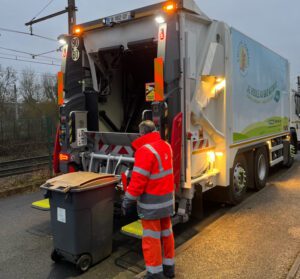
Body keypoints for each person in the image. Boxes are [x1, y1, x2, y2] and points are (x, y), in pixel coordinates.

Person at [122, 120, 175, 279]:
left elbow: (138, 181)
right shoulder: (166, 145)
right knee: (167, 234)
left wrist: (127, 200)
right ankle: (169, 269)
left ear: (142, 134)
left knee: (151, 238)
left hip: (151, 204)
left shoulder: (144, 151)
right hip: (167, 201)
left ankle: (154, 273)